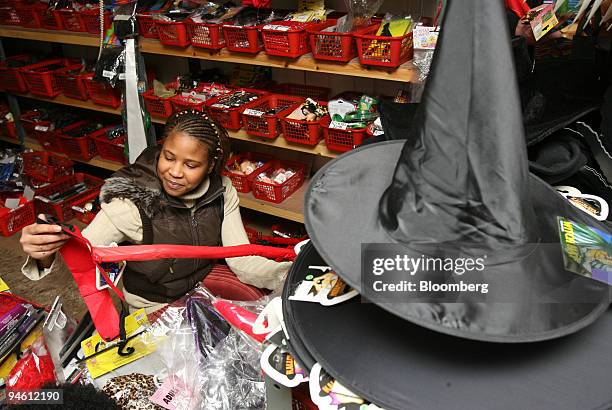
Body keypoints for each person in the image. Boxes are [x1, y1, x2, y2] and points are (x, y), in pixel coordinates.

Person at [19, 109, 291, 313]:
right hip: (152, 303)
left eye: (191, 164)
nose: (174, 172)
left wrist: (290, 274)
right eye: (169, 157)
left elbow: (241, 260)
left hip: (200, 283)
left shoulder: (222, 191)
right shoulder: (130, 204)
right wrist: (44, 253)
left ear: (210, 167)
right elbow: (80, 258)